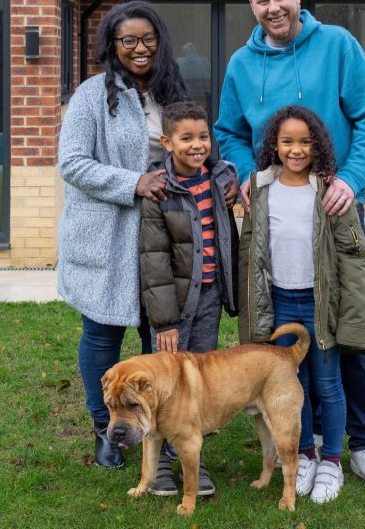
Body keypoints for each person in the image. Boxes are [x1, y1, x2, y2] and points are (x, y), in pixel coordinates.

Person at [214, 0, 365, 499]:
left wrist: (351, 177)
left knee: (351, 333)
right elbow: (228, 132)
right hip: (274, 218)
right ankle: (308, 441)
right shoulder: (242, 65)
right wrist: (244, 176)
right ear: (251, 7)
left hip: (335, 211)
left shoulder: (338, 46)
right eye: (261, 1)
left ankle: (364, 445)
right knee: (283, 330)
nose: (273, 8)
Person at [57, 1, 188, 469]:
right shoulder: (92, 95)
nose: (139, 48)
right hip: (106, 236)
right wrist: (132, 182)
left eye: (147, 39)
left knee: (163, 340)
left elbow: (193, 145)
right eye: (128, 40)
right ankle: (105, 428)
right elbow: (71, 163)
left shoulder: (171, 92)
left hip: (162, 236)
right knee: (102, 334)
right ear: (112, 45)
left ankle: (164, 430)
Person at [238, 105, 365, 505]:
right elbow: (250, 252)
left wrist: (352, 320)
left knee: (328, 384)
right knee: (296, 385)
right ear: (273, 146)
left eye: (305, 142)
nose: (296, 150)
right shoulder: (259, 188)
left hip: (318, 306)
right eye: (287, 142)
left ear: (318, 146)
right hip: (278, 304)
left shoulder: (330, 192)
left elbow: (353, 259)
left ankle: (332, 460)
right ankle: (306, 455)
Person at [138, 100, 240, 499]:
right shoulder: (160, 190)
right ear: (167, 141)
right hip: (173, 305)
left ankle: (192, 456)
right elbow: (154, 259)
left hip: (210, 298)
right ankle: (161, 464)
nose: (198, 145)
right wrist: (164, 322)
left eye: (203, 137)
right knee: (165, 383)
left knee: (198, 384)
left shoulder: (218, 177)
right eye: (187, 138)